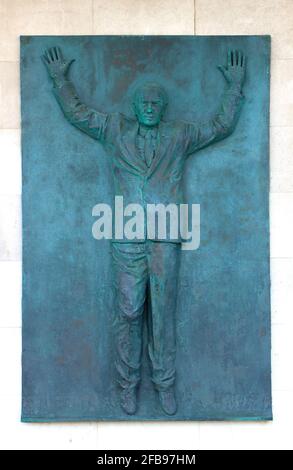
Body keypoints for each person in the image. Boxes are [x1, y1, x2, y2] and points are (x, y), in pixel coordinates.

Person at [42, 46, 246, 415]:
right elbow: (77, 114)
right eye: (144, 102)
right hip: (126, 236)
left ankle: (164, 385)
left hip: (165, 239)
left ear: (163, 108)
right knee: (129, 311)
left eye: (156, 102)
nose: (150, 107)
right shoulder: (114, 129)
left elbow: (221, 127)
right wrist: (60, 78)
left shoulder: (180, 135)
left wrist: (234, 87)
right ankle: (127, 385)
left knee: (163, 314)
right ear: (135, 107)